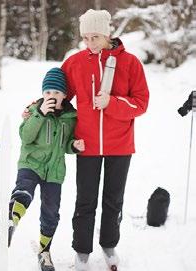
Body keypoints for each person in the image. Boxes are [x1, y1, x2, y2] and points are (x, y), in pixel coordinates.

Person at [61, 9, 149, 271]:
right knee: (85, 200)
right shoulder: (76, 62)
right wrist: (38, 107)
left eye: (95, 37)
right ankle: (82, 251)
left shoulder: (130, 63)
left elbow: (141, 103)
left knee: (113, 200)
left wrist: (111, 103)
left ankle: (109, 246)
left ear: (108, 33)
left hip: (120, 144)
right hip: (86, 144)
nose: (90, 43)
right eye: (86, 38)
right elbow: (58, 94)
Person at [0, 67, 85, 271]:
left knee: (51, 212)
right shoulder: (34, 111)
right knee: (24, 190)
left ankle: (45, 250)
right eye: (47, 92)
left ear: (64, 95)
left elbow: (66, 143)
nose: (51, 96)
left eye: (56, 93)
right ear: (42, 94)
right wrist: (40, 115)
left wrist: (74, 146)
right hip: (31, 163)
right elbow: (26, 137)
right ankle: (9, 220)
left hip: (54, 171)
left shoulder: (70, 118)